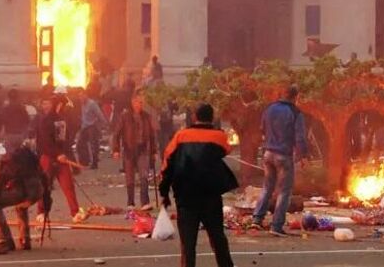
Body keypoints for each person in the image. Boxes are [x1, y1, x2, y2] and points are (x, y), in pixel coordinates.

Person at [159, 103, 237, 267]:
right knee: (217, 238)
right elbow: (226, 150)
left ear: (194, 117)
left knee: (188, 244)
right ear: (212, 117)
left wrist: (164, 192)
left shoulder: (180, 136)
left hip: (186, 197)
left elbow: (167, 163)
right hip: (211, 196)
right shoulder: (219, 136)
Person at [251, 85, 308, 237]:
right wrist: (303, 155)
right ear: (296, 97)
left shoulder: (269, 109)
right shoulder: (295, 113)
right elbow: (300, 137)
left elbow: (262, 128)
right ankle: (276, 226)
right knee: (284, 191)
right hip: (283, 155)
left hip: (268, 153)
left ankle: (257, 219)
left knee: (267, 187)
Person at [0, 146, 51, 251]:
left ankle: (6, 241)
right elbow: (45, 181)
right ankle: (25, 240)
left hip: (22, 191)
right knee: (21, 206)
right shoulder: (25, 162)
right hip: (37, 191)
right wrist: (46, 204)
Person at [32, 95, 81, 223]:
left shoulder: (61, 120)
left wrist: (64, 153)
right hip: (47, 157)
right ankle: (41, 212)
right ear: (58, 105)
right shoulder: (44, 121)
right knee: (44, 186)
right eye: (63, 106)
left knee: (68, 185)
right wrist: (57, 154)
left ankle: (75, 213)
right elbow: (44, 142)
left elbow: (63, 141)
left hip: (61, 158)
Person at [113, 94, 157, 211]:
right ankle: (130, 202)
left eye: (141, 103)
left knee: (144, 176)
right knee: (130, 177)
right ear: (132, 103)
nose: (139, 105)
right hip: (129, 149)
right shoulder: (125, 117)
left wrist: (154, 151)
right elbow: (116, 134)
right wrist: (116, 149)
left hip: (143, 149)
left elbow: (152, 135)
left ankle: (145, 202)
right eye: (137, 102)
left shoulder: (146, 117)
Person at [76, 89, 107, 169]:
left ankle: (94, 163)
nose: (81, 98)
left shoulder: (92, 104)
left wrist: (104, 124)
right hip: (85, 127)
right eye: (79, 96)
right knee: (80, 144)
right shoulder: (82, 104)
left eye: (82, 96)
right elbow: (84, 116)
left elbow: (99, 114)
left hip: (92, 126)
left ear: (86, 95)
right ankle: (85, 161)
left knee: (94, 145)